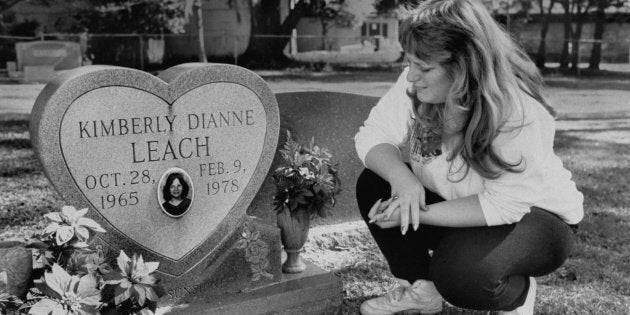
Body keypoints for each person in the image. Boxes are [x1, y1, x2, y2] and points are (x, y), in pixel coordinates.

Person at [354, 1, 583, 314]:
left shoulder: (517, 111)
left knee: (460, 275)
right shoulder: (416, 85)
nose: (411, 78)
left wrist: (416, 213)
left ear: (463, 66)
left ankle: (518, 294)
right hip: (462, 206)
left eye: (424, 68)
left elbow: (505, 204)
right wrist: (402, 181)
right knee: (375, 182)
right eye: (411, 64)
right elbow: (373, 135)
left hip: (536, 219)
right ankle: (422, 290)